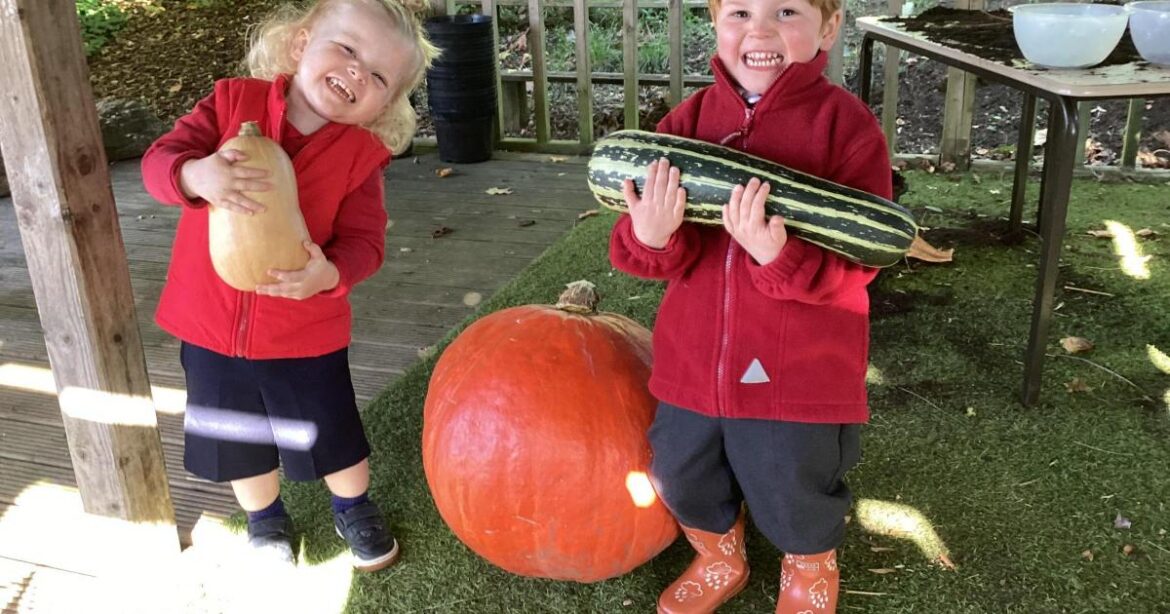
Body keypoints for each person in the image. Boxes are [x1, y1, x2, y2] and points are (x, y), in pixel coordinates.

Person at [608, 0, 893, 610]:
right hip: (694, 361)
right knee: (682, 469)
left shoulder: (847, 127)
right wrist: (652, 235)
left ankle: (810, 563)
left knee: (793, 479)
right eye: (739, 11)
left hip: (798, 368)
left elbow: (866, 259)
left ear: (830, 25)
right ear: (715, 23)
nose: (760, 30)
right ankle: (717, 554)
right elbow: (640, 252)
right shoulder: (685, 125)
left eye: (786, 10)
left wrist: (779, 255)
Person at [141, 0, 438, 571]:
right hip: (209, 323)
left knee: (330, 432)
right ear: (301, 44)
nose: (356, 72)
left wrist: (332, 273)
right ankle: (265, 520)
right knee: (238, 439)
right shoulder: (231, 103)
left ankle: (352, 506)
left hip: (305, 330)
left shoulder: (360, 156)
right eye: (348, 50)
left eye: (376, 75)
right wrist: (193, 174)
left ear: (385, 103)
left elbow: (365, 242)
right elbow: (160, 160)